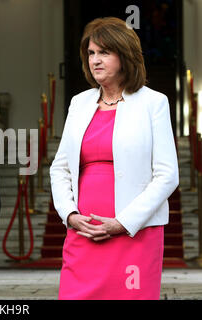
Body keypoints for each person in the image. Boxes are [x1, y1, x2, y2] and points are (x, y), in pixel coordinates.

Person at [50, 17, 179, 300]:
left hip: (135, 234)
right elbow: (59, 168)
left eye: (104, 52)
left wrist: (124, 222)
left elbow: (167, 174)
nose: (95, 60)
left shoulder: (153, 103)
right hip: (83, 233)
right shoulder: (79, 103)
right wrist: (70, 215)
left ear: (125, 55)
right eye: (91, 53)